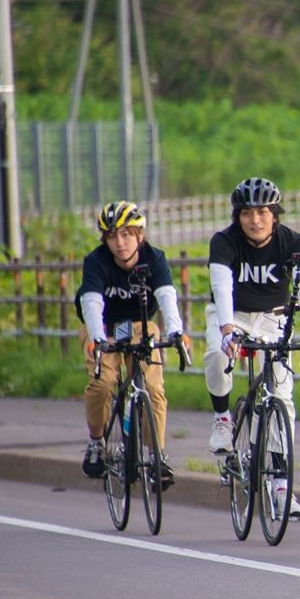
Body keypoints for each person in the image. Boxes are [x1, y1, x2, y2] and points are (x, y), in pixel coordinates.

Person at [203, 177, 300, 520]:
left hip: (274, 318)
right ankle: (223, 417)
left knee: (282, 397)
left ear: (275, 214)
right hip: (232, 315)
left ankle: (282, 483)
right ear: (237, 216)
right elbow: (221, 289)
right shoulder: (224, 242)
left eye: (263, 212)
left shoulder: (295, 244)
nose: (255, 220)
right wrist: (227, 330)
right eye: (247, 213)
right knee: (215, 353)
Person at [76, 201, 186, 488]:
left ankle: (157, 455)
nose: (120, 243)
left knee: (153, 387)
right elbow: (91, 303)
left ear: (140, 235)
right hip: (103, 326)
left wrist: (175, 331)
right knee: (103, 381)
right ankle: (96, 443)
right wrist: (98, 338)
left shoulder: (154, 258)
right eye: (112, 236)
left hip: (139, 324)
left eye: (126, 234)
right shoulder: (96, 261)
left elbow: (166, 296)